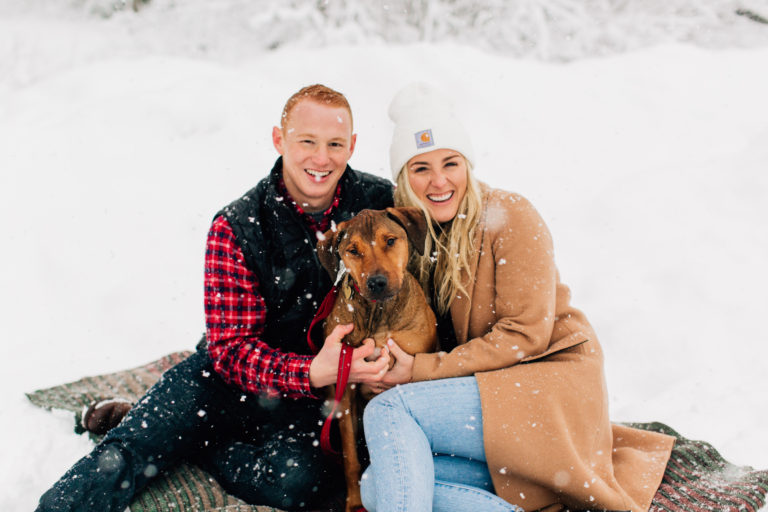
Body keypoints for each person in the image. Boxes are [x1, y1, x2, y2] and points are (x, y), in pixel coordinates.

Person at [36, 84, 395, 512]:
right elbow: (231, 351)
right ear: (279, 140)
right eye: (307, 142)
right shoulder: (237, 225)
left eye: (335, 144)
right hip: (230, 377)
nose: (321, 159)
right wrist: (311, 370)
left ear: (352, 145)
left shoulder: (379, 203)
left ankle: (198, 448)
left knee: (298, 486)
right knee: (128, 452)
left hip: (316, 397)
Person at [359, 83, 675, 512]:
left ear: (467, 165)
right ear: (403, 179)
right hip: (491, 395)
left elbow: (524, 335)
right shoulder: (408, 238)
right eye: (420, 168)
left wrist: (419, 370)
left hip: (548, 382)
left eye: (450, 163)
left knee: (389, 413)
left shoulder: (510, 214)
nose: (438, 181)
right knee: (379, 481)